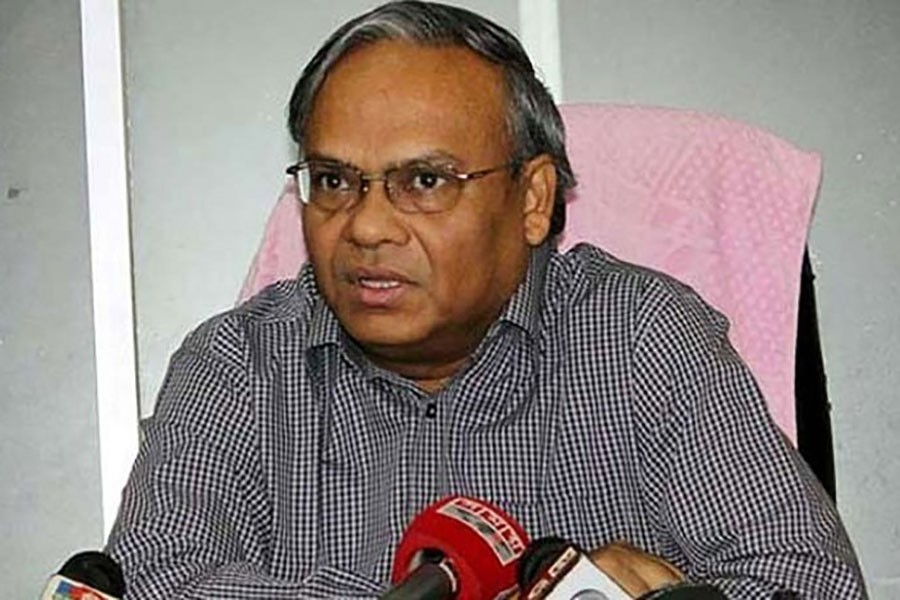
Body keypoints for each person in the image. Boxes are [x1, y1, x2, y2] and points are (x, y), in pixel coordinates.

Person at [106, 2, 867, 598]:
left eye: (424, 181)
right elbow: (148, 579)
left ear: (533, 199)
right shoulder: (238, 363)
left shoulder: (642, 335)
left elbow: (811, 581)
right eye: (334, 181)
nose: (365, 227)